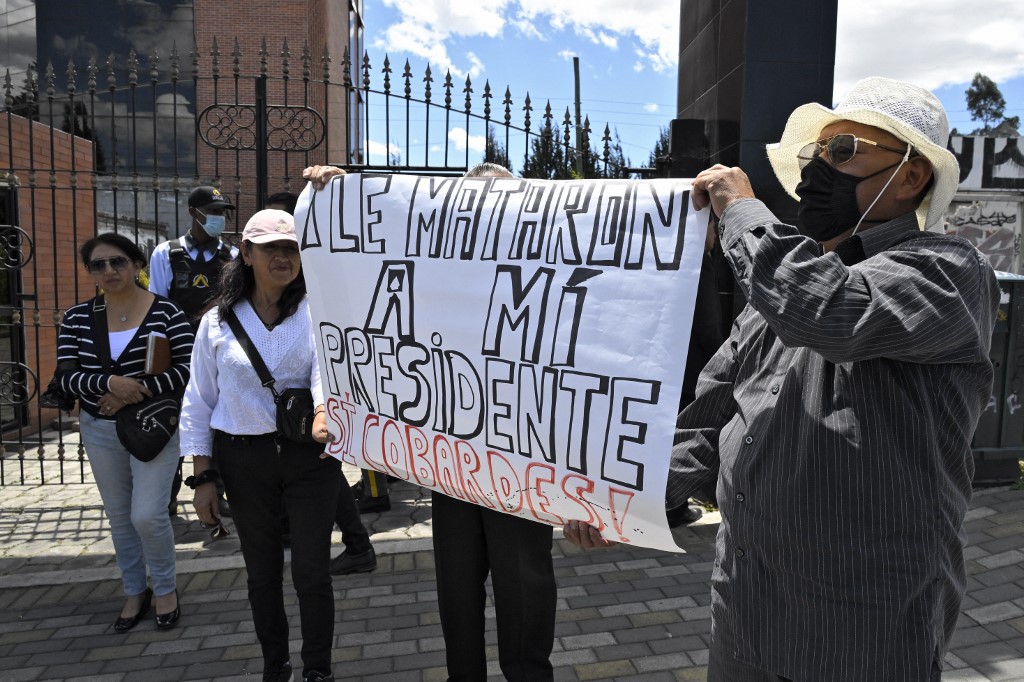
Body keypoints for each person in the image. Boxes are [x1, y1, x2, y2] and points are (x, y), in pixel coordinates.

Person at [565, 77, 1001, 682]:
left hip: (861, 632)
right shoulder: (783, 285)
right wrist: (624, 502)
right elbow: (710, 419)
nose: (818, 173)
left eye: (844, 151)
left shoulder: (949, 271)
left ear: (910, 177)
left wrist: (741, 211)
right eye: (815, 156)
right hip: (748, 610)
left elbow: (824, 311)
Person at [305, 161, 558, 681]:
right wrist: (345, 194)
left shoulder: (544, 266)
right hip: (454, 465)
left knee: (525, 594)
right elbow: (366, 277)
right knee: (457, 594)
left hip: (522, 464)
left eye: (503, 203)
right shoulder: (433, 270)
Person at [181, 209, 338, 682]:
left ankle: (317, 668)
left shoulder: (321, 309)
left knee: (312, 571)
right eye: (271, 247)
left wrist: (325, 410)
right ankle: (276, 665)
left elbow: (326, 372)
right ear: (246, 253)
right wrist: (203, 476)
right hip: (242, 459)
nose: (282, 257)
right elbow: (200, 399)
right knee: (262, 574)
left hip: (310, 455)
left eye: (291, 248)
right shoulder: (216, 322)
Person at [57, 233, 194, 632]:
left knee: (148, 514)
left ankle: (165, 588)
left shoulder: (166, 312)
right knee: (119, 516)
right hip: (99, 429)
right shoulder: (78, 317)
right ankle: (136, 591)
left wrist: (138, 390)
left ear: (136, 265)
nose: (109, 271)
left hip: (153, 426)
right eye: (98, 265)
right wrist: (110, 385)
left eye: (117, 262)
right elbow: (66, 377)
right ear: (90, 272)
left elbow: (187, 369)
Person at [149, 185, 237, 517]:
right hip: (176, 352)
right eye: (212, 212)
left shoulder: (230, 256)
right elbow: (157, 307)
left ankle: (218, 490)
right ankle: (166, 497)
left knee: (215, 423)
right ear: (192, 213)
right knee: (168, 423)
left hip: (215, 352)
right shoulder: (166, 254)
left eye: (221, 213)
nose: (218, 219)